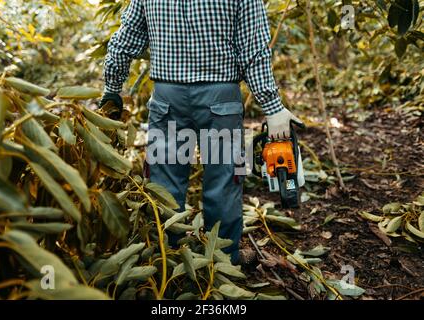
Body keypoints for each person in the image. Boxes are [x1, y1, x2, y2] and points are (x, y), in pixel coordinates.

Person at [100, 0, 302, 264]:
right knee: (225, 181)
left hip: (168, 98)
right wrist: (272, 107)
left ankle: (167, 260)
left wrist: (112, 90)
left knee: (164, 183)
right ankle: (223, 262)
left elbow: (125, 39)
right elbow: (253, 49)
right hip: (220, 100)